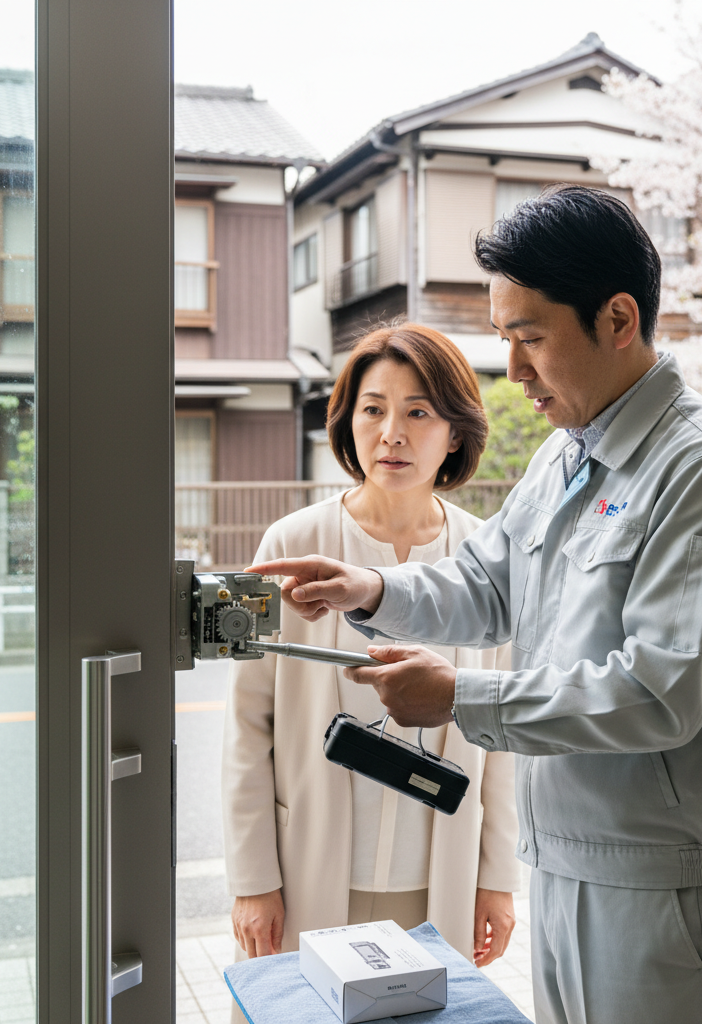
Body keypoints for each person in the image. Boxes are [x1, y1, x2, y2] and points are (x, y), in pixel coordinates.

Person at [249, 185, 702, 1024]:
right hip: (567, 867)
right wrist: (372, 589)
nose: (514, 370)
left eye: (530, 338)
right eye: (505, 340)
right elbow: (486, 583)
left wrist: (460, 697)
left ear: (618, 319)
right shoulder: (565, 457)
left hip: (668, 891)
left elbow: (659, 692)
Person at [221, 324, 520, 986]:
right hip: (307, 869)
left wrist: (497, 878)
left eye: (419, 412)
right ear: (348, 423)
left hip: (439, 876)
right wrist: (252, 879)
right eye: (373, 409)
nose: (392, 434)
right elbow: (245, 726)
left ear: (455, 433)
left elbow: (501, 733)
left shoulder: (488, 560)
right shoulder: (286, 542)